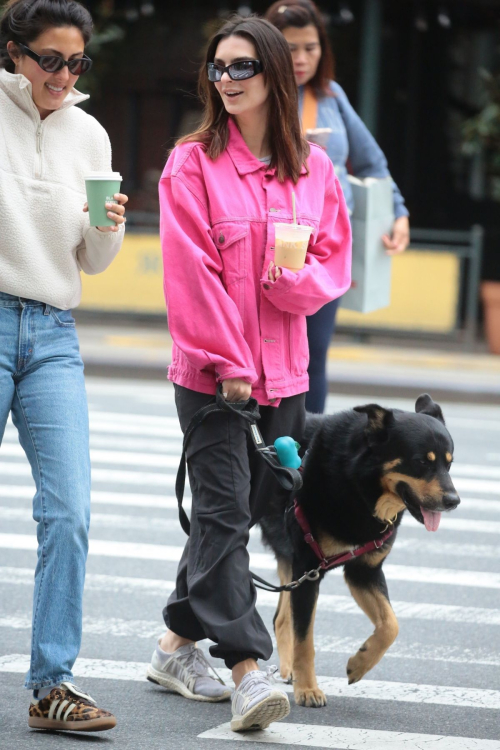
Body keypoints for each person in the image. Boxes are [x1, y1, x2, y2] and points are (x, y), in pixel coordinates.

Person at [148, 14, 351, 733]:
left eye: (242, 68)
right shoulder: (191, 163)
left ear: (272, 74)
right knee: (227, 513)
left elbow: (332, 261)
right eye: (218, 68)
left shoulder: (315, 171)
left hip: (285, 375)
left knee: (234, 513)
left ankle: (175, 643)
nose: (226, 80)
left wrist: (288, 286)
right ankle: (247, 669)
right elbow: (189, 275)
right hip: (213, 377)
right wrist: (229, 363)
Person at [0, 0, 127, 732]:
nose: (64, 74)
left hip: (52, 333)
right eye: (51, 59)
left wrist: (109, 229)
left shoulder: (90, 134)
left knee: (70, 511)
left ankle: (53, 685)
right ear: (16, 52)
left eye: (77, 62)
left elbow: (94, 260)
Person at [265, 0, 411, 414]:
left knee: (315, 354)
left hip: (325, 249)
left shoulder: (330, 96)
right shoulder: (254, 94)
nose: (301, 58)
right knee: (274, 355)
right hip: (273, 246)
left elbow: (371, 163)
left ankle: (306, 457)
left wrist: (398, 211)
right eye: (290, 48)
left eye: (310, 47)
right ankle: (267, 453)